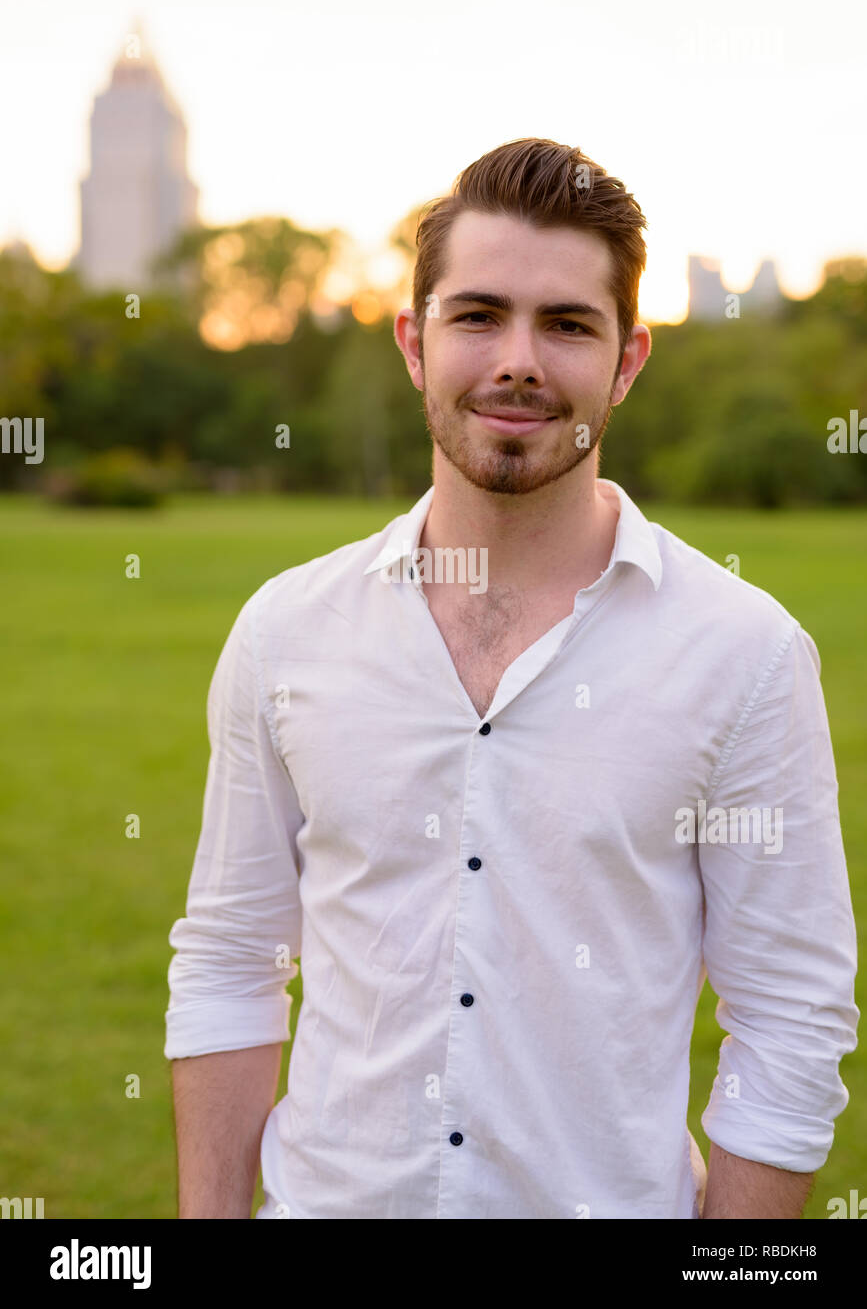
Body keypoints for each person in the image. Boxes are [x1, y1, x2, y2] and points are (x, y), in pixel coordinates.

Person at [165, 137, 858, 1219]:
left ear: (628, 360)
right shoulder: (286, 633)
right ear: (414, 341)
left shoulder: (747, 655)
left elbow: (790, 1019)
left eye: (568, 324)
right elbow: (228, 960)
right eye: (478, 314)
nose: (518, 361)